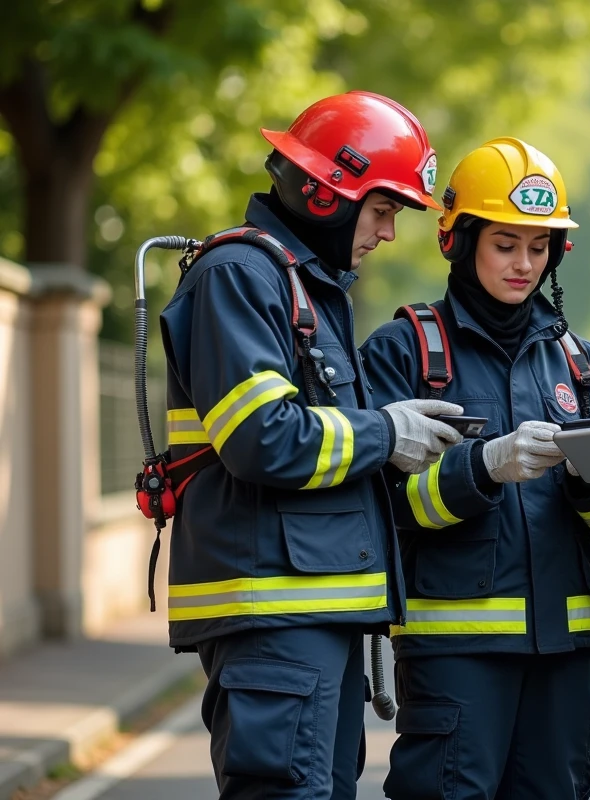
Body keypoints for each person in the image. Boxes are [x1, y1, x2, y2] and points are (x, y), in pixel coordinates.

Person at [158, 91, 466, 800]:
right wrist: (387, 430)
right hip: (274, 619)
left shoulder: (304, 287)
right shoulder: (240, 276)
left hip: (307, 619)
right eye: (383, 211)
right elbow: (264, 439)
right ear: (328, 195)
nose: (387, 232)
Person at [359, 137, 590, 799]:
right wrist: (481, 469)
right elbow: (376, 505)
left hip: (565, 658)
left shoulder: (582, 365)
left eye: (539, 248)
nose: (524, 264)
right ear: (461, 240)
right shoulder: (405, 351)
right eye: (506, 244)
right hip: (455, 659)